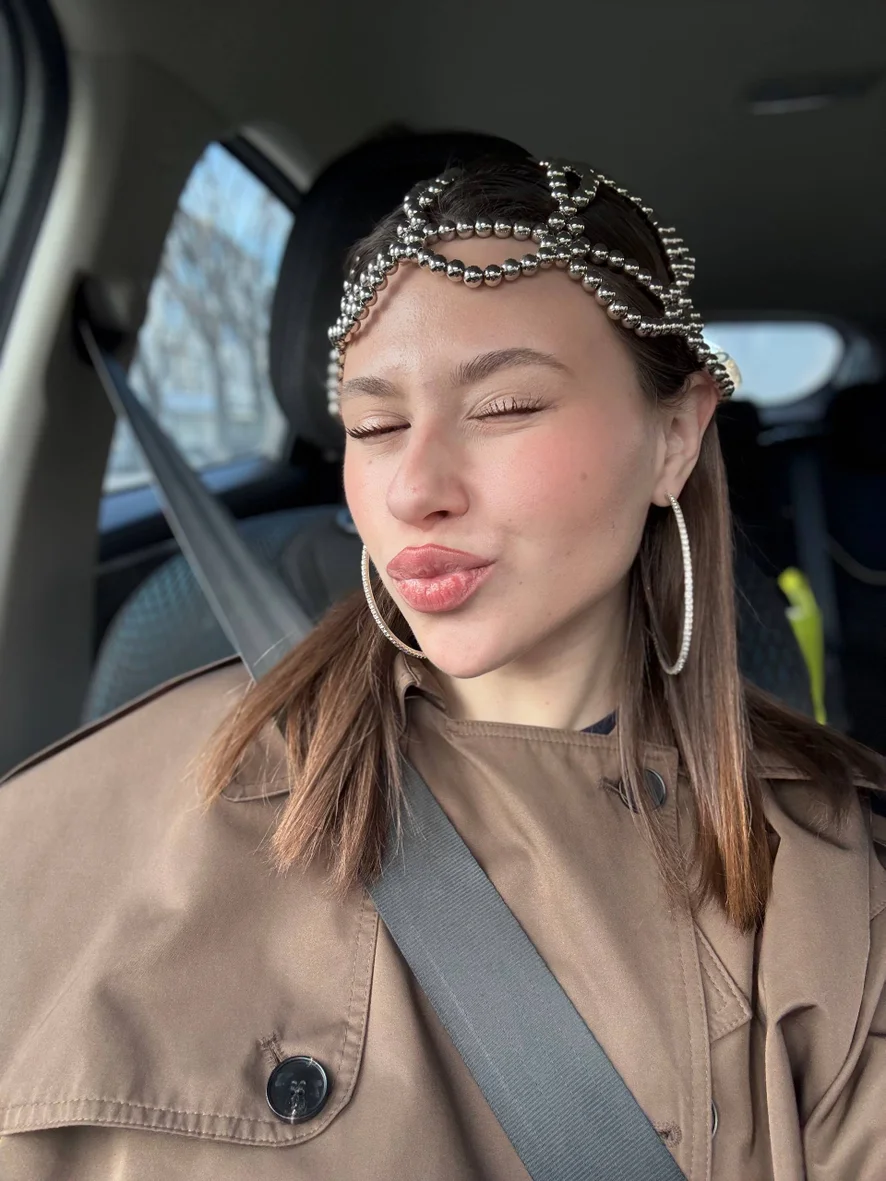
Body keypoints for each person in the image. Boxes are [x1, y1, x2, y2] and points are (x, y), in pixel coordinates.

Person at [0, 153, 884, 1181]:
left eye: (505, 406)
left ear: (674, 438)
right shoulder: (135, 795)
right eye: (375, 425)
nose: (414, 487)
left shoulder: (832, 883)